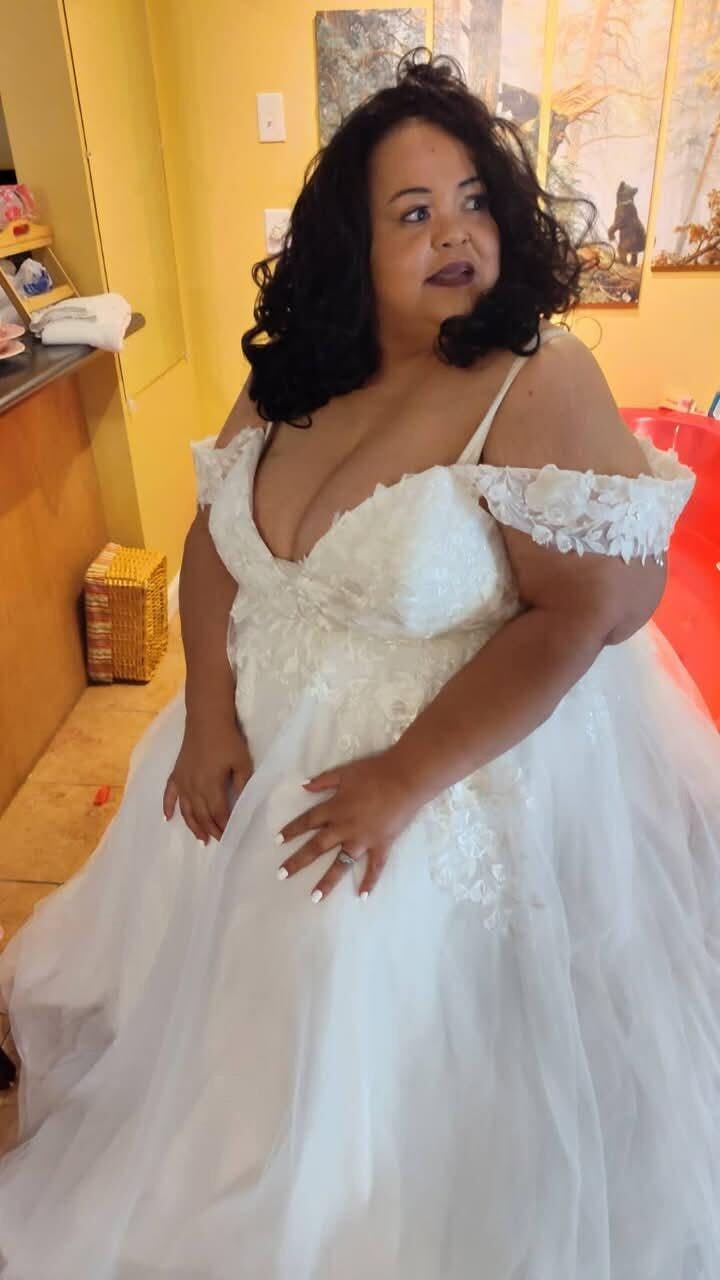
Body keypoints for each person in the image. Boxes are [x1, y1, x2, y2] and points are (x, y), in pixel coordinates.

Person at [0, 49, 718, 1280]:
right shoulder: (292, 372)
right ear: (353, 244)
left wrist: (402, 776)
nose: (457, 232)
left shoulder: (537, 376)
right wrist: (210, 712)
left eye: (476, 200)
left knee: (350, 1046)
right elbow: (216, 542)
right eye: (414, 211)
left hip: (439, 777)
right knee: (214, 1027)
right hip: (248, 754)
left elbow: (584, 612)